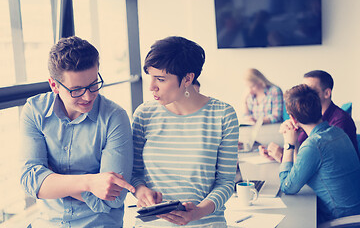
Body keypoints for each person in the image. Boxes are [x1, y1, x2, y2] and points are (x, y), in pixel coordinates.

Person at [19, 36, 135, 228]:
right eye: (76, 90)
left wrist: (50, 176)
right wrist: (89, 182)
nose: (88, 96)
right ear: (54, 85)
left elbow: (113, 198)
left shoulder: (115, 117)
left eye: (93, 84)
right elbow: (30, 182)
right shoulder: (35, 110)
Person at [131, 36, 239, 227]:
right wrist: (141, 191)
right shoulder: (144, 114)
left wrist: (199, 211)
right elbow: (135, 172)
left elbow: (225, 182)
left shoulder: (223, 114)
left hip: (206, 223)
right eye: (151, 76)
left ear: (188, 78)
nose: (151, 87)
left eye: (161, 79)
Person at [278, 84, 360, 224]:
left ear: (293, 119)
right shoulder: (337, 132)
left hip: (341, 221)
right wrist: (296, 141)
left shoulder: (314, 145)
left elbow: (288, 186)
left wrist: (289, 144)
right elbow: (301, 170)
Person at [259, 70, 358, 162]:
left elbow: (322, 164)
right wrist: (281, 152)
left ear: (327, 93)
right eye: (303, 89)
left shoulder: (340, 121)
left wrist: (282, 157)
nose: (304, 95)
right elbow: (302, 153)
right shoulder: (307, 116)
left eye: (310, 91)